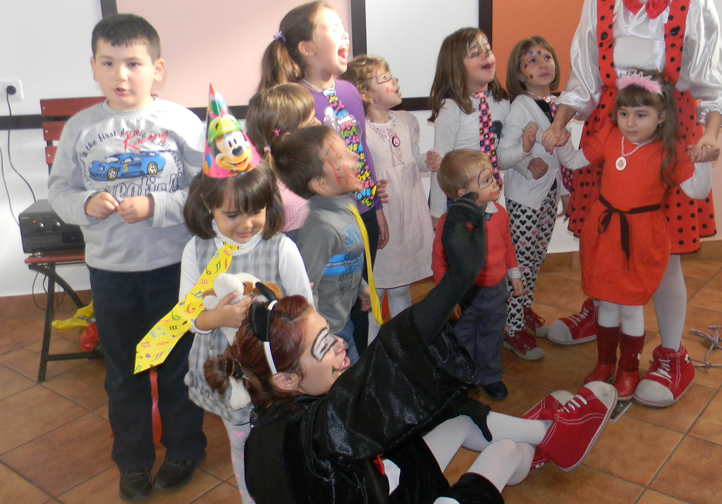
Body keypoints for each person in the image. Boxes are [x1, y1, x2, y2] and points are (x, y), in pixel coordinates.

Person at [205, 196, 617, 503]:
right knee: (508, 451)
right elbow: (390, 356)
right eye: (324, 346)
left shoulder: (273, 418)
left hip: (376, 484)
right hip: (381, 490)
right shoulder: (315, 433)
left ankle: (550, 437)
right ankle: (543, 441)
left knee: (456, 417)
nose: (341, 347)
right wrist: (457, 281)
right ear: (286, 379)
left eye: (330, 334)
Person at [542, 0, 722, 407]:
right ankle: (604, 311)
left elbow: (713, 82)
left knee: (663, 249)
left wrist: (709, 139)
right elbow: (584, 77)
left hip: (671, 138)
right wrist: (561, 122)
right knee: (604, 233)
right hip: (611, 133)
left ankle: (671, 354)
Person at [48, 14, 207, 500]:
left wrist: (157, 206)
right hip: (112, 274)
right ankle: (133, 462)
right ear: (93, 67)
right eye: (108, 63)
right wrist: (85, 204)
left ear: (157, 68)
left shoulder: (182, 122)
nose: (121, 75)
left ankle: (184, 450)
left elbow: (207, 192)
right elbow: (59, 191)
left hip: (173, 270)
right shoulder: (80, 128)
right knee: (124, 372)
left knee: (178, 365)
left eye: (133, 63)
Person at [178, 85, 314, 503]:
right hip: (228, 375)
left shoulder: (281, 248)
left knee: (289, 443)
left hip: (277, 373)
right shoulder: (197, 251)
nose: (246, 223)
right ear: (209, 207)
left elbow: (306, 310)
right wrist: (217, 318)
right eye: (232, 214)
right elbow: (187, 316)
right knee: (242, 446)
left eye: (255, 211)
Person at [557, 71, 711, 400]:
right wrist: (562, 139)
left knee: (629, 306)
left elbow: (697, 191)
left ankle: (628, 370)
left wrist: (704, 161)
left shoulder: (669, 150)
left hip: (640, 236)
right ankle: (604, 364)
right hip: (605, 232)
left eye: (641, 115)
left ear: (661, 116)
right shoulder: (610, 135)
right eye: (624, 113)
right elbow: (573, 161)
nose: (630, 122)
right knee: (607, 303)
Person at [260, 0, 386, 354]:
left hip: (358, 213)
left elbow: (361, 149)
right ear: (307, 48)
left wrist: (374, 206)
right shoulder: (294, 102)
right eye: (333, 28)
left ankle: (355, 366)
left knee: (356, 294)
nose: (345, 34)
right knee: (328, 299)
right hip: (321, 220)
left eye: (343, 27)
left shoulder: (349, 91)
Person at [342, 55, 440, 342]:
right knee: (378, 286)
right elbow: (355, 172)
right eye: (385, 79)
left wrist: (426, 162)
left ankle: (403, 345)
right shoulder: (359, 129)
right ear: (365, 94)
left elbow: (412, 158)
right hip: (385, 215)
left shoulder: (407, 120)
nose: (394, 81)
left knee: (401, 285)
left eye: (391, 76)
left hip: (409, 212)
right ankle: (372, 349)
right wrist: (371, 189)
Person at [496, 37, 573, 361]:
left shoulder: (556, 105)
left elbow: (561, 157)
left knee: (536, 259)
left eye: (547, 57)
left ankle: (523, 311)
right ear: (520, 73)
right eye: (532, 60)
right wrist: (527, 161)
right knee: (520, 265)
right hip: (524, 200)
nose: (542, 64)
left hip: (548, 196)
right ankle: (511, 329)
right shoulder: (520, 107)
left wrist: (566, 194)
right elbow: (502, 155)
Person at [272, 125, 372, 364]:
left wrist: (360, 286)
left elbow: (342, 259)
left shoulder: (344, 209)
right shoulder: (321, 229)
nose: (355, 157)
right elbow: (305, 291)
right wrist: (323, 338)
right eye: (342, 157)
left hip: (342, 321)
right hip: (329, 333)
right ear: (320, 184)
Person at [432, 150, 522, 401]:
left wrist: (514, 274)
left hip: (496, 290)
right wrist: (446, 297)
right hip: (464, 294)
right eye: (486, 180)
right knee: (462, 337)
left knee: (492, 334)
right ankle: (464, 379)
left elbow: (508, 245)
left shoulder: (500, 214)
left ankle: (490, 376)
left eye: (493, 176)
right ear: (464, 194)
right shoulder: (450, 223)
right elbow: (439, 262)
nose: (495, 183)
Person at [428, 28, 510, 225]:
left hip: (488, 194)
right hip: (456, 199)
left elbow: (502, 152)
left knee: (487, 242)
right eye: (475, 53)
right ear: (456, 67)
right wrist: (437, 213)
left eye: (487, 49)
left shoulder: (501, 102)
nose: (485, 55)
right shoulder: (451, 107)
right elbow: (440, 163)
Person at [244, 83, 321, 238]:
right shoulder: (285, 192)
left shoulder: (302, 167)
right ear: (288, 138)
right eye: (312, 121)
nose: (319, 123)